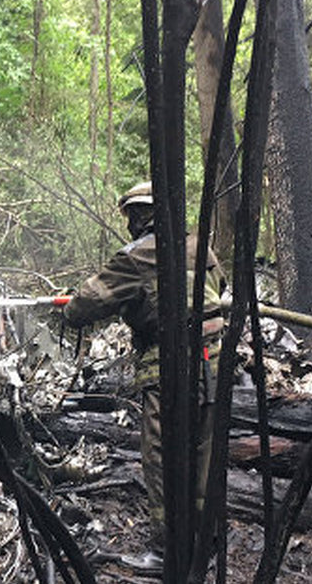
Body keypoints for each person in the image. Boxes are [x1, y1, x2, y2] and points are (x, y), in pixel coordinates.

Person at [63, 181, 226, 567]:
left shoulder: (136, 257)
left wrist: (71, 306)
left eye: (134, 215)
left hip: (167, 368)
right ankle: (206, 544)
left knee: (162, 456)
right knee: (204, 454)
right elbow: (218, 290)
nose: (131, 224)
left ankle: (169, 553)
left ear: (142, 216)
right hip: (214, 363)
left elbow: (82, 307)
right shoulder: (200, 247)